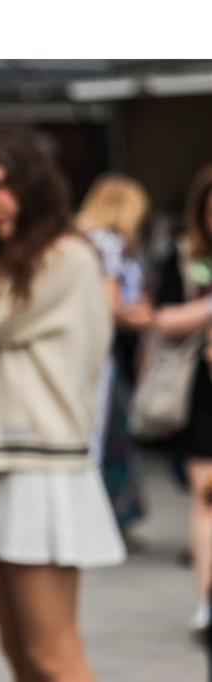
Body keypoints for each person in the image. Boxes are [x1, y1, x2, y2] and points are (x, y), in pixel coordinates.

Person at [0, 129, 124, 682]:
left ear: (31, 182)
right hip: (11, 461)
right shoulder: (25, 258)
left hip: (41, 466)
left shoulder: (63, 255)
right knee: (24, 657)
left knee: (52, 653)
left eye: (0, 186)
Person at [76, 173, 155, 541]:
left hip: (86, 352)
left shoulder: (82, 237)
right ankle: (96, 524)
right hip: (97, 355)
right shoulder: (107, 243)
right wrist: (139, 314)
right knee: (98, 438)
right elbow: (109, 306)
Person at [151, 163, 212, 633]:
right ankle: (208, 598)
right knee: (206, 493)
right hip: (201, 390)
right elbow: (164, 319)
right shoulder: (185, 255)